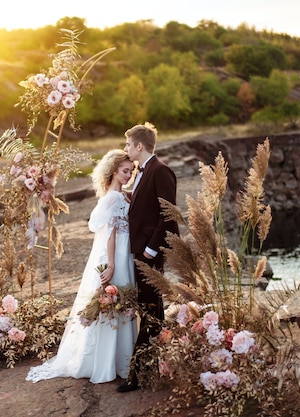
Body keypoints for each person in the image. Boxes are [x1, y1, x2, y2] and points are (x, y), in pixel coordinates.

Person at [26, 149, 138, 384]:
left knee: (118, 304)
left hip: (121, 253)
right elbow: (111, 234)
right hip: (115, 254)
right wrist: (112, 264)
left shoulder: (117, 195)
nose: (129, 175)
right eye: (125, 171)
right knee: (114, 302)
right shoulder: (114, 198)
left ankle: (111, 360)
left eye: (131, 171)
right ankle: (110, 362)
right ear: (114, 171)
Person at [118, 122, 179, 393]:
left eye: (128, 145)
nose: (126, 149)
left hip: (149, 253)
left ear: (139, 146)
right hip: (139, 250)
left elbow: (168, 214)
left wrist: (150, 251)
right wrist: (125, 197)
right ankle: (159, 363)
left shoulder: (161, 170)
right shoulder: (143, 172)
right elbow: (147, 206)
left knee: (149, 310)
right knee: (153, 309)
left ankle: (137, 374)